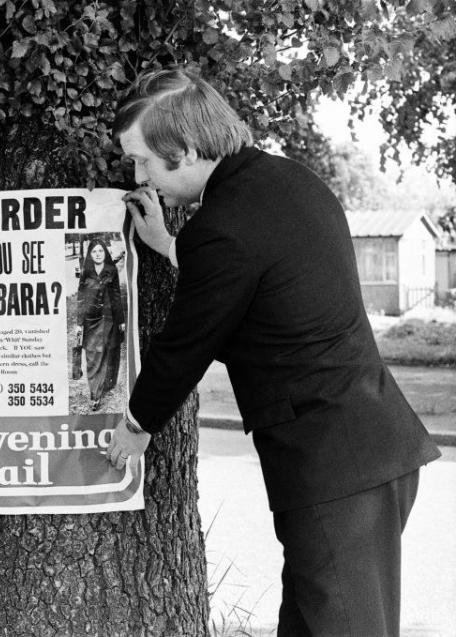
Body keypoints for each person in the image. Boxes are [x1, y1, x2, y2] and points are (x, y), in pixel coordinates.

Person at [105, 67, 440, 637]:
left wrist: (136, 423)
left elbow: (186, 342)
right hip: (365, 454)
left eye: (142, 161)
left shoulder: (223, 225)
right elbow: (252, 277)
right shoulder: (287, 181)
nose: (138, 175)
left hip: (336, 472)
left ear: (184, 149)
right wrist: (167, 244)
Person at [75, 238, 125, 411]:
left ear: (105, 253)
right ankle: (95, 392)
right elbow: (81, 299)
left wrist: (121, 320)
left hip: (108, 319)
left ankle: (98, 393)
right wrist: (79, 323)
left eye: (100, 251)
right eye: (94, 251)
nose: (97, 254)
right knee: (91, 357)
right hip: (90, 321)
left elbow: (117, 295)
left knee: (105, 354)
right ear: (90, 254)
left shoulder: (111, 271)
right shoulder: (86, 272)